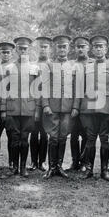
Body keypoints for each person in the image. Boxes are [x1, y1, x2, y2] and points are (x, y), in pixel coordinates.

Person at [80, 35, 109, 181]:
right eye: (96, 47)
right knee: (90, 139)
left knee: (105, 139)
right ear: (92, 49)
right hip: (90, 109)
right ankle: (89, 169)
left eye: (101, 46)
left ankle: (104, 170)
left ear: (106, 48)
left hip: (107, 109)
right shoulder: (87, 67)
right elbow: (82, 88)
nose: (98, 49)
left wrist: (107, 99)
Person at [0, 37, 40, 177]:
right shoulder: (9, 68)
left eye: (25, 48)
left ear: (29, 49)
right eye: (20, 48)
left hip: (29, 109)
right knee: (14, 139)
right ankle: (13, 167)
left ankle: (23, 167)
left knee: (24, 139)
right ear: (16, 49)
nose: (23, 51)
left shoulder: (35, 68)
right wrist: (3, 109)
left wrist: (37, 110)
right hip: (12, 109)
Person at [42, 35, 78, 179]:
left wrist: (75, 107)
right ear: (55, 48)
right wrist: (45, 105)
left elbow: (77, 89)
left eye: (64, 46)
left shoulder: (73, 66)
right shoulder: (49, 65)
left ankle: (59, 166)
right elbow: (44, 87)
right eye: (59, 46)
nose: (62, 49)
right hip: (53, 107)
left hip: (68, 108)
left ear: (68, 48)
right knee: (53, 138)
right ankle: (51, 168)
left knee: (63, 137)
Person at [68, 37, 93, 172]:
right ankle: (74, 162)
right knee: (73, 135)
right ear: (75, 49)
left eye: (83, 46)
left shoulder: (93, 63)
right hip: (72, 106)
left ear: (88, 47)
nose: (80, 49)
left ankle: (85, 161)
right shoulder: (70, 64)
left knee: (86, 135)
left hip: (87, 105)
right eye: (78, 47)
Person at [0, 42, 14, 169]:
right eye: (3, 52)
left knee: (11, 135)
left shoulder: (14, 68)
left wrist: (5, 107)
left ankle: (11, 162)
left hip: (10, 107)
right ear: (0, 53)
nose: (5, 54)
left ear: (11, 54)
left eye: (8, 52)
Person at [29, 37, 50, 172]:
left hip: (47, 104)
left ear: (49, 49)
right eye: (40, 47)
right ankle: (33, 161)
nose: (43, 49)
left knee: (44, 134)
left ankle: (42, 161)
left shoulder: (52, 65)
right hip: (35, 104)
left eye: (45, 47)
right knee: (34, 132)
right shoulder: (32, 66)